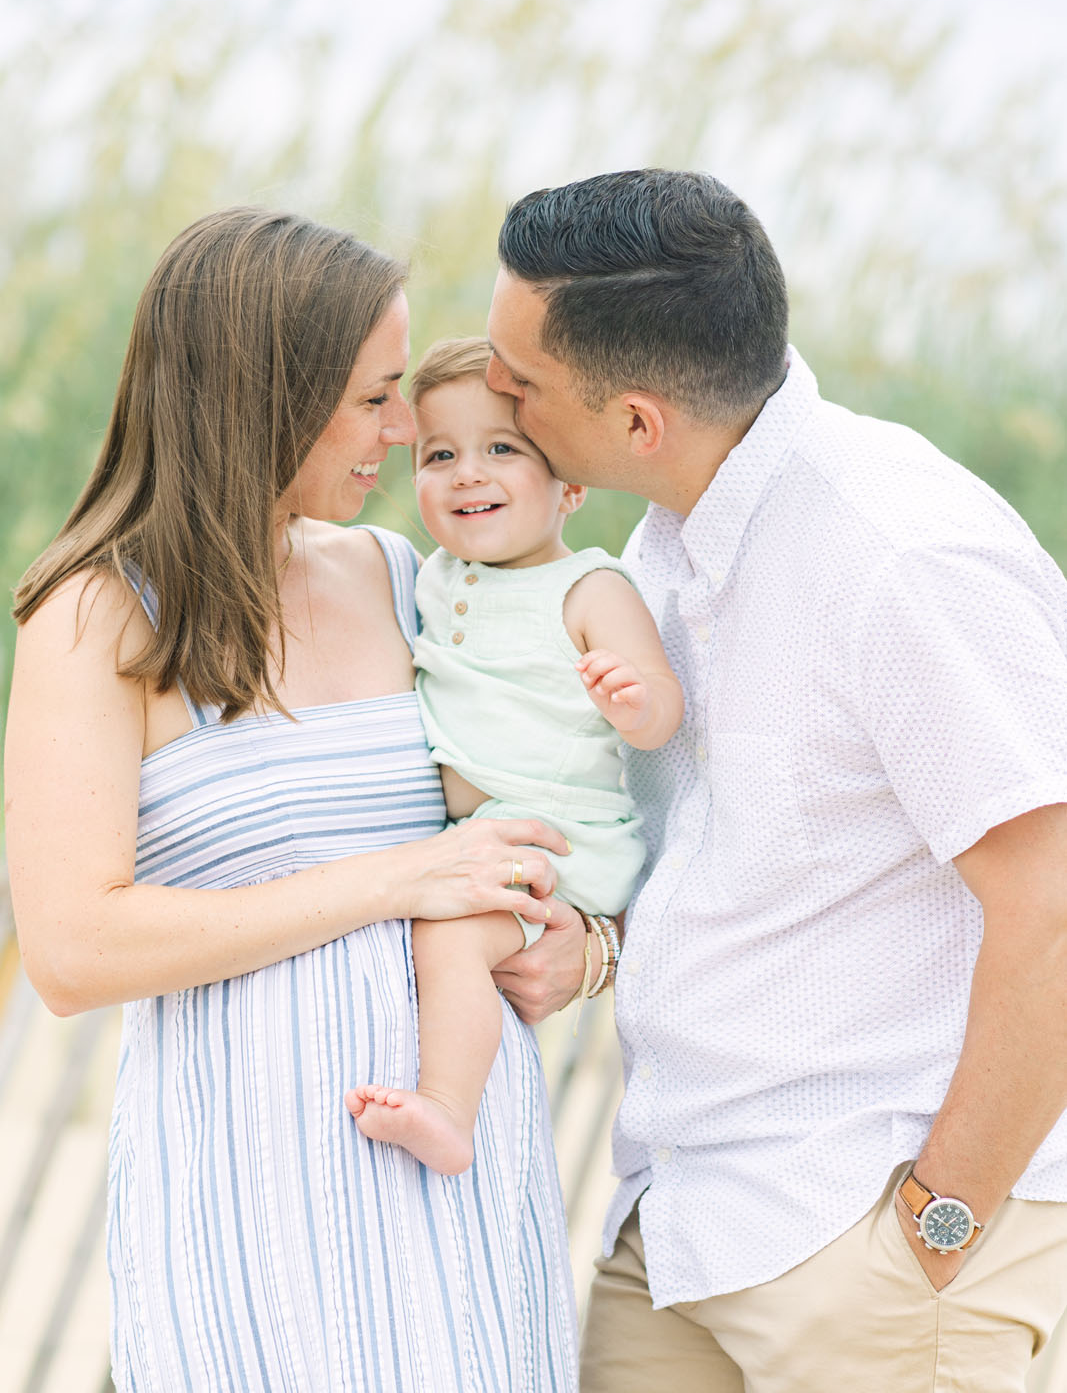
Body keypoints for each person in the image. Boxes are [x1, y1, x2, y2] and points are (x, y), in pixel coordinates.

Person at [482, 169, 1067, 1393]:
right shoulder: (660, 545)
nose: (491, 398)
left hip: (874, 1235)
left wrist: (934, 1228)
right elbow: (725, 869)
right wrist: (591, 950)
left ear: (637, 419)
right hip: (682, 1218)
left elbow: (1051, 905)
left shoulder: (898, 554)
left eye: (517, 383)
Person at [3, 208, 579, 1392]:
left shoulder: (402, 578)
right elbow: (71, 949)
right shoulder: (97, 616)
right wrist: (395, 877)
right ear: (266, 392)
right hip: (255, 1171)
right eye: (372, 397)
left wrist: (581, 937)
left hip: (457, 1159)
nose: (409, 428)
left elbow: (546, 792)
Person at [346, 337, 683, 1175]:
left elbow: (662, 711)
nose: (467, 472)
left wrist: (630, 700)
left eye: (502, 449)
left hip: (556, 836)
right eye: (439, 454)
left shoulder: (587, 588)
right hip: (492, 831)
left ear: (569, 482)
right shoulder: (432, 578)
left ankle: (447, 1111)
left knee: (451, 940)